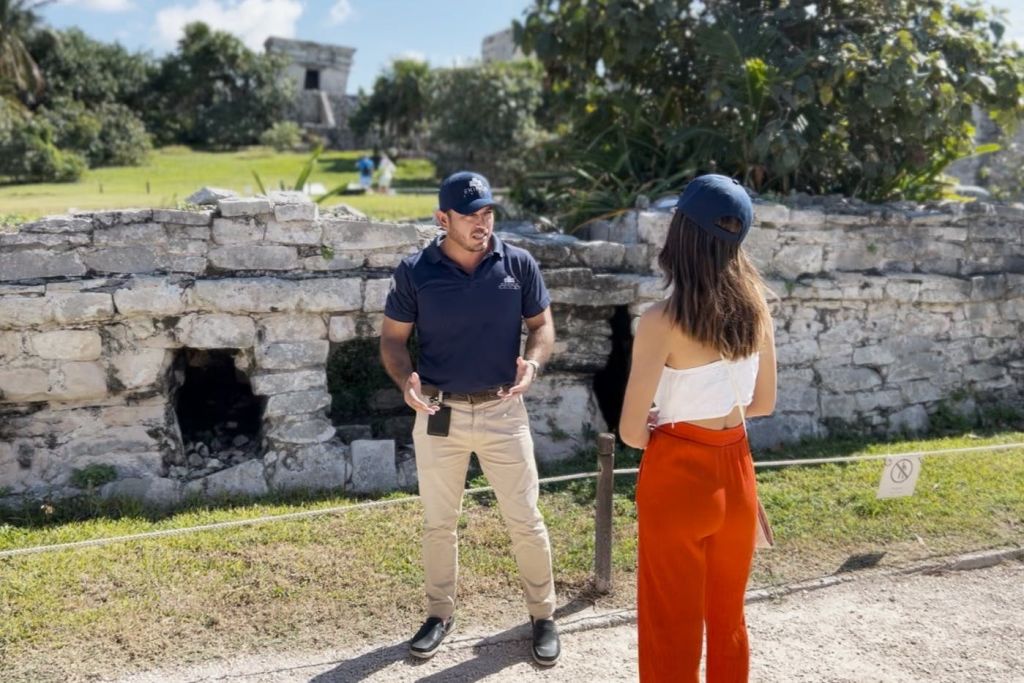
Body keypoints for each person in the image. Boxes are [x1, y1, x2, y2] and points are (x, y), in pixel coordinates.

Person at [380, 171, 561, 666]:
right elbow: (393, 340)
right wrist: (407, 383)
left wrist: (535, 362)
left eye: (488, 212)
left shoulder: (517, 263)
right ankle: (439, 614)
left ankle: (543, 616)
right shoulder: (415, 271)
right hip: (439, 411)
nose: (482, 223)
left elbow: (542, 325)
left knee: (525, 519)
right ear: (443, 219)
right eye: (470, 214)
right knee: (439, 523)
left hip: (505, 409)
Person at [619, 174, 777, 682]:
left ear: (681, 234)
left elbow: (629, 431)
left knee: (671, 624)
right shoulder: (758, 309)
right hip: (737, 475)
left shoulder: (662, 321)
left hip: (678, 473)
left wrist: (664, 417)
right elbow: (763, 402)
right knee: (728, 619)